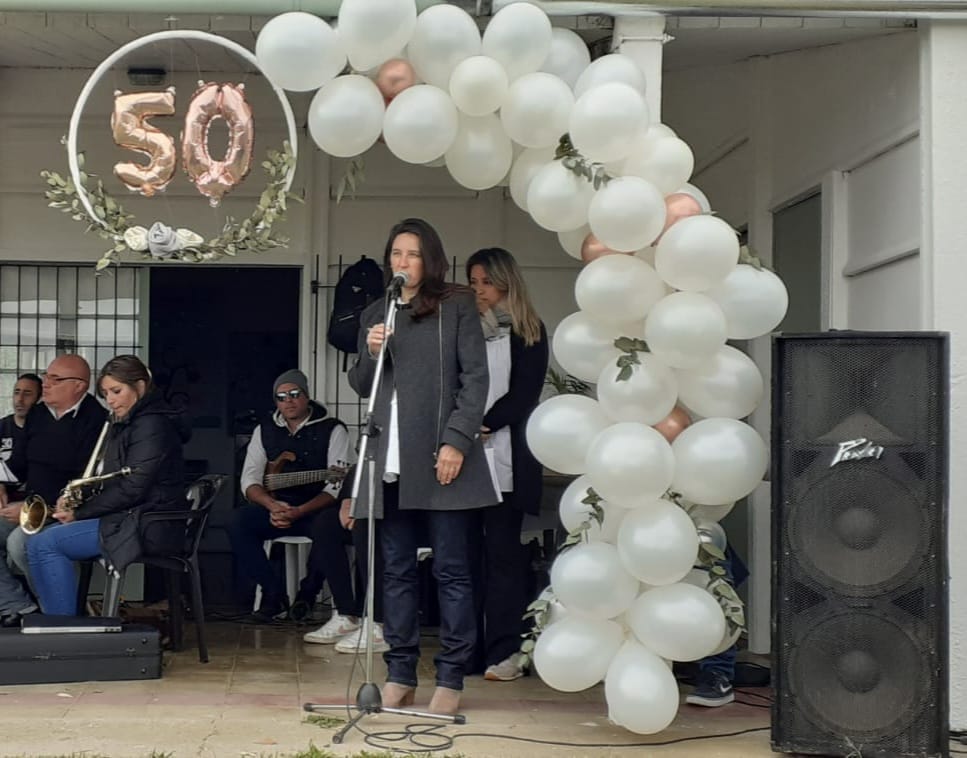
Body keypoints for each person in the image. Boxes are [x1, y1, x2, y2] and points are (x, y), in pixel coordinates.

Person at [349, 217, 498, 715]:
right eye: (396, 253)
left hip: (440, 458)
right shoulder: (377, 311)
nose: (403, 262)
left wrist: (457, 441)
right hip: (390, 458)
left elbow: (475, 379)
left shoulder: (456, 305)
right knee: (395, 571)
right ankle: (400, 672)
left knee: (451, 571)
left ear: (429, 260)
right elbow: (362, 384)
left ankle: (451, 676)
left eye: (412, 254)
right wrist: (371, 351)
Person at [26, 355, 190, 615]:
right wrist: (78, 497)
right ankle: (57, 621)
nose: (110, 400)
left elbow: (133, 487)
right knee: (36, 542)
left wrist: (80, 512)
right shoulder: (128, 423)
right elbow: (114, 478)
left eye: (116, 391)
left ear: (140, 386)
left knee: (46, 544)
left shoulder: (151, 425)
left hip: (147, 523)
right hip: (131, 518)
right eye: (105, 394)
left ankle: (63, 625)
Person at [465, 247, 549, 682]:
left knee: (502, 559)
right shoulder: (464, 329)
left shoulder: (529, 330)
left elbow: (524, 394)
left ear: (505, 282)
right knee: (464, 559)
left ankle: (505, 650)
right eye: (473, 282)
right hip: (464, 458)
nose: (479, 290)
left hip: (507, 459)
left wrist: (484, 423)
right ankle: (466, 650)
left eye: (486, 282)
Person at [228, 369, 353, 625]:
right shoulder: (264, 430)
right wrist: (272, 505)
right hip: (276, 507)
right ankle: (273, 595)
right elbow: (249, 480)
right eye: (281, 397)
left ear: (306, 396)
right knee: (237, 522)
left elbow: (336, 487)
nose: (288, 401)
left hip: (316, 508)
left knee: (327, 526)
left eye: (295, 394)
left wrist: (299, 511)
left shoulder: (333, 429)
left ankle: (307, 596)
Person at [0, 356, 105, 625]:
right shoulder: (38, 414)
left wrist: (34, 511)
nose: (45, 384)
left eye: (55, 379)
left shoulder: (97, 421)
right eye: (46, 376)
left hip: (65, 513)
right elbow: (19, 462)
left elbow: (87, 484)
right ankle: (21, 608)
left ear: (79, 386)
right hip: (29, 506)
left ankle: (57, 617)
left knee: (20, 544)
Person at [303, 464, 389, 654]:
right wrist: (348, 499)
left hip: (408, 507)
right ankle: (346, 614)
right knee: (326, 523)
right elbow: (364, 460)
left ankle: (379, 623)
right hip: (377, 503)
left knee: (365, 526)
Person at [0, 373, 43, 488]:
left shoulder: (44, 431)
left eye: (27, 394)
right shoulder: (2, 426)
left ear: (40, 399)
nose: (19, 399)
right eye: (16, 392)